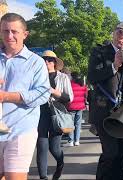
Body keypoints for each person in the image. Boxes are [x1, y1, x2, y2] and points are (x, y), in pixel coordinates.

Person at [87, 21, 123, 180]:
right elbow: (92, 77)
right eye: (120, 32)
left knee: (121, 154)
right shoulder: (99, 51)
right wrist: (114, 65)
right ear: (114, 33)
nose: (122, 37)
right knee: (110, 153)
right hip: (105, 109)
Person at [0, 13, 51, 180]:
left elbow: (42, 94)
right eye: (5, 31)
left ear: (25, 34)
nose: (9, 36)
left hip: (20, 132)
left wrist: (6, 96)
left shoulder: (35, 62)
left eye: (14, 31)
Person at [36, 50, 74, 180]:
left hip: (56, 114)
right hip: (40, 113)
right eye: (44, 60)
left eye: (50, 60)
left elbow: (69, 98)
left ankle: (60, 162)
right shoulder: (37, 76)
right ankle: (43, 177)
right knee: (41, 145)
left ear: (55, 63)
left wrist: (53, 91)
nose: (46, 62)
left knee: (54, 148)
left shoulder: (62, 77)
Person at [65, 72, 88, 146]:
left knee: (70, 124)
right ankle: (77, 141)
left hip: (71, 107)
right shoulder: (83, 85)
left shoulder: (70, 85)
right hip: (80, 107)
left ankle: (70, 141)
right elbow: (85, 96)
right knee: (78, 124)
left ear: (72, 77)